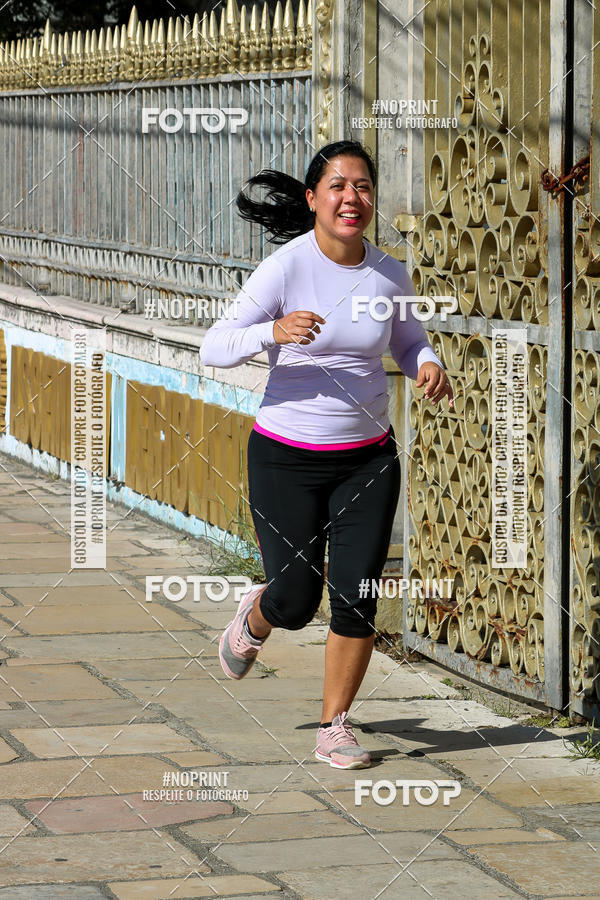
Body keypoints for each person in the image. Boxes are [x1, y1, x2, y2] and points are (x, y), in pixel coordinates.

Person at [200, 139, 453, 769]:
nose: (352, 197)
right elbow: (214, 346)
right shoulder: (286, 268)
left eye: (363, 186)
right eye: (338, 186)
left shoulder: (390, 271)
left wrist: (427, 364)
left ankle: (334, 724)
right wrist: (272, 332)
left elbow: (407, 337)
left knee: (357, 594)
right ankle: (256, 616)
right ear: (313, 198)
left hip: (368, 458)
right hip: (286, 455)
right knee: (294, 600)